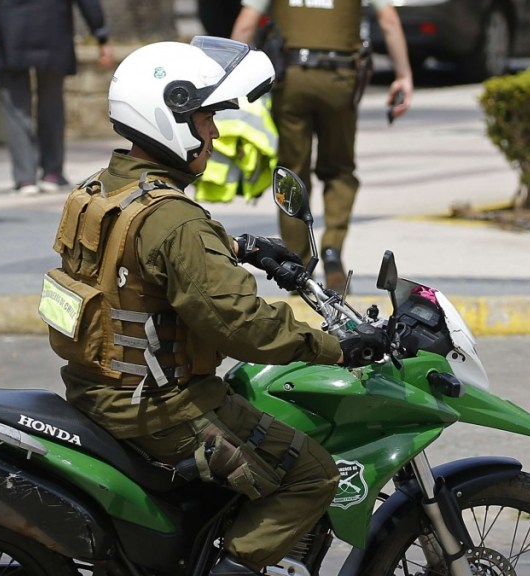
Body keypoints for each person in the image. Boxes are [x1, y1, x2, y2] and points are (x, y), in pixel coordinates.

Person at [39, 37, 384, 576]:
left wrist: (239, 248)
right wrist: (336, 346)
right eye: (205, 119)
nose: (215, 134)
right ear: (169, 116)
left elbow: (140, 258)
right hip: (161, 408)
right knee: (312, 473)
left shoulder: (99, 190)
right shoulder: (175, 221)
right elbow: (241, 325)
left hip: (96, 388)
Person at [232, 0, 414, 292]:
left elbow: (245, 24)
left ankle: (295, 265)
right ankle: (331, 250)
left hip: (291, 79)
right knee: (339, 170)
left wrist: (227, 79)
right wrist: (404, 75)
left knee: (292, 173)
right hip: (340, 80)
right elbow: (389, 20)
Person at [0, 0, 113, 195]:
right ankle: (52, 173)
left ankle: (25, 178)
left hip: (10, 30)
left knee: (16, 108)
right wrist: (100, 34)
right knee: (51, 102)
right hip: (52, 28)